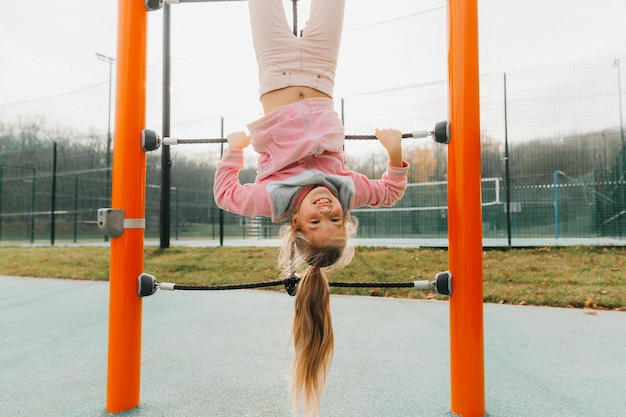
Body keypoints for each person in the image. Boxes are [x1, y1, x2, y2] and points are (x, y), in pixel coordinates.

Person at [213, 0, 409, 414]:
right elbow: (389, 192)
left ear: (297, 224)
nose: (326, 207)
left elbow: (226, 194)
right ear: (345, 215)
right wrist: (394, 155)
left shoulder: (273, 199)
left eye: (317, 220)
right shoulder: (348, 188)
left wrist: (232, 153)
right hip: (321, 69)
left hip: (277, 68)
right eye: (335, 218)